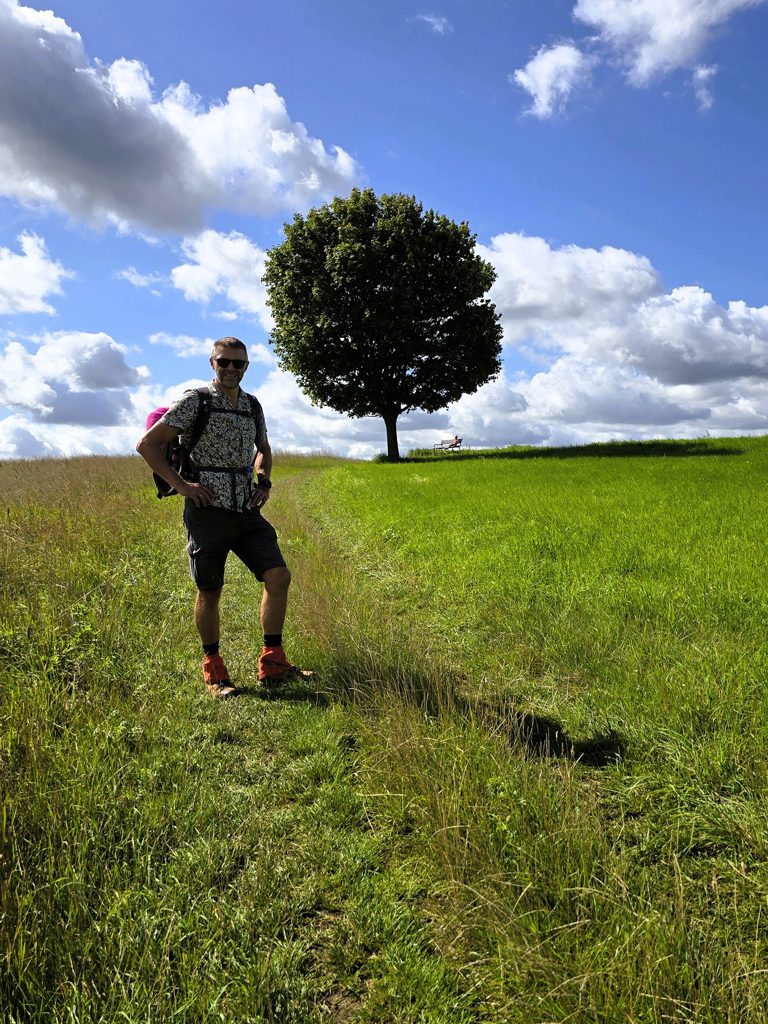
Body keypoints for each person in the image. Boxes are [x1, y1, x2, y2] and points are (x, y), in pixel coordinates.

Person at [136, 336, 298, 698]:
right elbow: (147, 444)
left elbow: (264, 450)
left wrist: (264, 483)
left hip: (246, 508)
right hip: (207, 511)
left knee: (278, 575)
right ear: (212, 363)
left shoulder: (252, 406)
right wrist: (183, 486)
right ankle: (214, 669)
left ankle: (273, 661)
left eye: (237, 363)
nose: (230, 369)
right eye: (223, 362)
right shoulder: (195, 400)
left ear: (246, 367)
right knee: (210, 590)